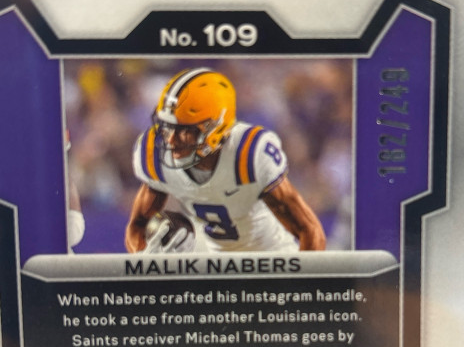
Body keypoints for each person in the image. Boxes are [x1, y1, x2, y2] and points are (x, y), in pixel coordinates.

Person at [125, 68, 326, 253]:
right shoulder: (153, 152)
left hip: (270, 259)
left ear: (216, 128)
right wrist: (146, 260)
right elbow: (137, 227)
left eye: (184, 131)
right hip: (213, 262)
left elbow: (308, 229)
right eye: (166, 128)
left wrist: (301, 278)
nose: (170, 140)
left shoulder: (248, 154)